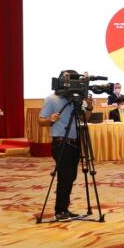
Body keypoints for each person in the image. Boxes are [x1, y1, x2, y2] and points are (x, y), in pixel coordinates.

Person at [39, 75, 94, 220]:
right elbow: (41, 121)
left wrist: (89, 106)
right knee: (65, 176)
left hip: (75, 142)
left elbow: (84, 118)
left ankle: (64, 208)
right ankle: (60, 210)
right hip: (61, 142)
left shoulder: (77, 100)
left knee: (71, 176)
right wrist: (49, 119)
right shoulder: (52, 99)